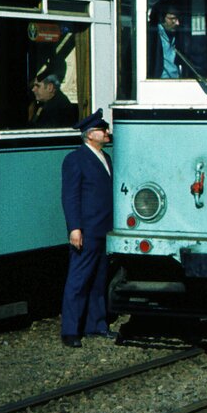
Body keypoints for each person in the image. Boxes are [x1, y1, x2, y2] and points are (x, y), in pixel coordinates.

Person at [60, 109, 115, 347]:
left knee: (98, 280)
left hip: (103, 228)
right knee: (79, 280)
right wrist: (75, 228)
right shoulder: (75, 159)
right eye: (103, 130)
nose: (107, 133)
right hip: (87, 229)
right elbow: (70, 197)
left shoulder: (106, 158)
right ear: (91, 134)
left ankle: (96, 324)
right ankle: (70, 331)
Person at [147, 0, 185, 79]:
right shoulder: (150, 36)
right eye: (172, 19)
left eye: (178, 18)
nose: (177, 23)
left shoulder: (178, 35)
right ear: (161, 18)